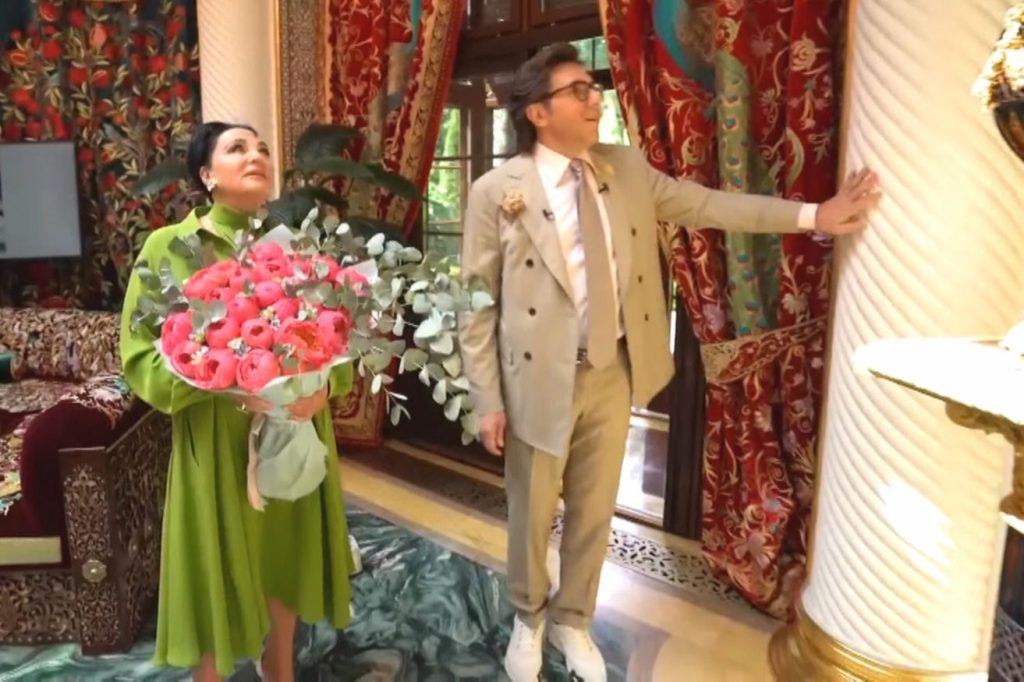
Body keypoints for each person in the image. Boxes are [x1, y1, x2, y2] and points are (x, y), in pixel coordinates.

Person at [457, 43, 880, 682]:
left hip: (612, 371)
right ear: (538, 113)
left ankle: (573, 620)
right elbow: (476, 302)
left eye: (594, 87)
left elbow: (707, 204)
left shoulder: (624, 168)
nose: (595, 99)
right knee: (531, 514)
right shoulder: (497, 190)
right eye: (578, 90)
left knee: (594, 512)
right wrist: (486, 398)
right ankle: (528, 617)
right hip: (535, 379)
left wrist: (815, 215)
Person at [119, 122, 355, 682]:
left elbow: (339, 336)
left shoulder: (293, 248)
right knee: (217, 562)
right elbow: (139, 356)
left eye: (262, 149)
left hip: (293, 428)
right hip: (217, 439)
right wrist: (213, 376)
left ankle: (280, 667)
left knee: (285, 552)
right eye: (237, 148)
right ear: (207, 174)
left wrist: (325, 388)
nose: (256, 156)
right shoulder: (170, 247)